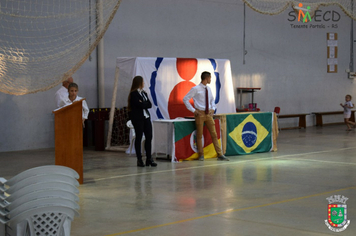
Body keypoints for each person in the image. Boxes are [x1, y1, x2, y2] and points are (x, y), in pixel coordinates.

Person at [183, 71, 229, 161]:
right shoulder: (195, 89)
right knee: (199, 135)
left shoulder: (208, 89)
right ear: (206, 78)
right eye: (210, 78)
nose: (210, 79)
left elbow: (212, 100)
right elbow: (185, 99)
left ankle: (220, 154)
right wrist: (193, 110)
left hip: (208, 114)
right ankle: (201, 155)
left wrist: (212, 108)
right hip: (200, 113)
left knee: (214, 134)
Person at [128, 76, 157, 167]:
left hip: (146, 117)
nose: (144, 83)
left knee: (149, 137)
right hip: (138, 118)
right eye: (143, 82)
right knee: (139, 137)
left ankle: (149, 158)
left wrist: (142, 103)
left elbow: (149, 104)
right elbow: (138, 105)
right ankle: (139, 159)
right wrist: (142, 104)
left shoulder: (144, 93)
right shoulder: (133, 94)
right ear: (139, 83)